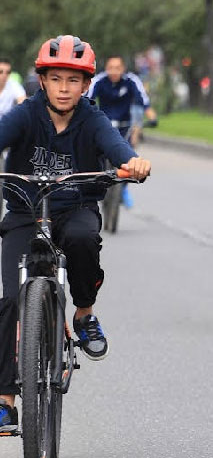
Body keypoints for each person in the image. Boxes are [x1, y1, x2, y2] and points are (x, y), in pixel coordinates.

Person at [0, 35, 151, 430]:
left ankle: (83, 315)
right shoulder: (26, 113)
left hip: (76, 207)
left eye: (73, 80)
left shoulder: (91, 118)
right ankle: (5, 399)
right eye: (56, 79)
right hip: (23, 211)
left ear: (86, 85)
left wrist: (132, 161)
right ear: (42, 82)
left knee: (84, 240)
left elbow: (114, 145)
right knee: (12, 300)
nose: (64, 88)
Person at [87, 55, 155, 208]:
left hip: (125, 126)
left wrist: (152, 117)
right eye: (110, 68)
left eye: (117, 68)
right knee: (97, 157)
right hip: (104, 128)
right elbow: (85, 100)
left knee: (129, 158)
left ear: (123, 69)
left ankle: (123, 189)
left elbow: (144, 102)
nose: (114, 71)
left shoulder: (131, 81)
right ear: (106, 69)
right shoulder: (99, 81)